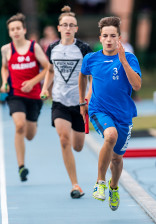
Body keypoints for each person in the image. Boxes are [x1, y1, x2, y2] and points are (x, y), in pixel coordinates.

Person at [79, 16, 141, 211]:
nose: (108, 39)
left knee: (117, 158)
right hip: (99, 110)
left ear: (119, 38)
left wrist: (123, 61)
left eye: (112, 36)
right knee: (110, 136)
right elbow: (82, 76)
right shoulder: (91, 58)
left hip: (123, 114)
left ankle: (114, 186)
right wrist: (82, 101)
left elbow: (137, 85)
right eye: (105, 36)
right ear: (100, 37)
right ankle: (100, 181)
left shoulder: (129, 58)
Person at [40, 6, 92, 199]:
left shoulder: (84, 49)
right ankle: (75, 184)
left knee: (78, 146)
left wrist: (88, 97)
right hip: (59, 101)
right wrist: (46, 88)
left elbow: (91, 75)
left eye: (71, 25)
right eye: (64, 25)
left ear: (76, 28)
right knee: (63, 140)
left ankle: (75, 138)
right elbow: (51, 71)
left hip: (79, 103)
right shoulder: (52, 48)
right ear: (59, 27)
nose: (68, 28)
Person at [0, 13, 49, 182]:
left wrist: (33, 82)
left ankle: (33, 122)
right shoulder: (6, 49)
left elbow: (47, 68)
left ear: (24, 30)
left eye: (18, 28)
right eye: (12, 29)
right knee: (19, 126)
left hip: (34, 95)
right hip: (15, 94)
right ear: (9, 32)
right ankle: (21, 166)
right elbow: (4, 68)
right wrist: (5, 81)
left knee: (30, 134)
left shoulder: (34, 47)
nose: (15, 31)